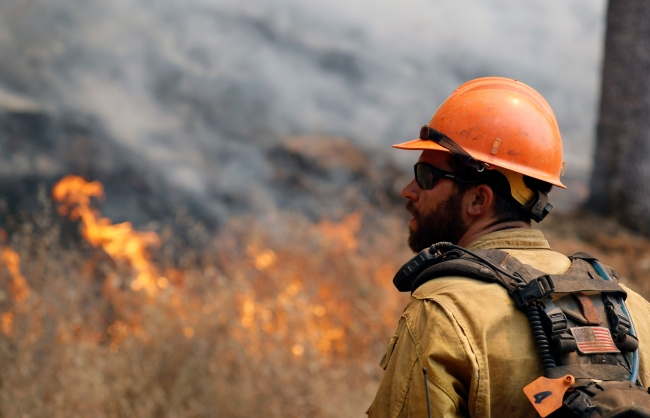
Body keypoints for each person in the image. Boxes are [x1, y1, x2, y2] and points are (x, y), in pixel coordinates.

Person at [366, 77, 650, 417]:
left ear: (477, 199)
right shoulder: (636, 310)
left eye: (426, 176)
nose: (409, 190)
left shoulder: (442, 311)